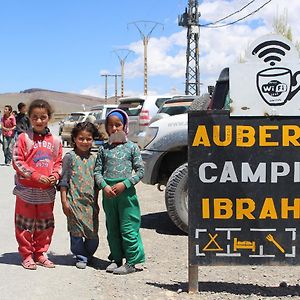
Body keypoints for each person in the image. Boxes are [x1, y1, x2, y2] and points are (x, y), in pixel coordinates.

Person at [12, 99, 62, 270]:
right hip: (26, 190)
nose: (39, 121)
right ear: (29, 118)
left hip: (46, 192)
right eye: (35, 117)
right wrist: (34, 175)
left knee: (45, 224)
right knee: (25, 223)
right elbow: (17, 161)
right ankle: (26, 255)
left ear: (49, 118)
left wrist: (55, 175)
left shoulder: (55, 141)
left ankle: (40, 253)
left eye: (43, 117)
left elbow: (58, 162)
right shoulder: (24, 138)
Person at [94, 109, 145, 275]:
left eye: (118, 125)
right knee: (113, 228)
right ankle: (116, 259)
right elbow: (97, 172)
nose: (114, 129)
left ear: (125, 126)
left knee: (128, 227)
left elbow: (140, 171)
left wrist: (125, 184)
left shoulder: (132, 148)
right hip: (109, 195)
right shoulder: (103, 149)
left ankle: (132, 261)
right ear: (106, 128)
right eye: (111, 125)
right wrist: (104, 186)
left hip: (126, 194)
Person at [58, 121, 99, 269]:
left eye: (88, 139)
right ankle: (81, 256)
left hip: (90, 203)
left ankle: (88, 254)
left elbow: (98, 182)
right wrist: (64, 201)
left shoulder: (95, 159)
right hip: (74, 202)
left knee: (92, 234)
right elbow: (64, 181)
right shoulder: (69, 157)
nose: (85, 142)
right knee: (76, 233)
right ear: (74, 138)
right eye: (81, 138)